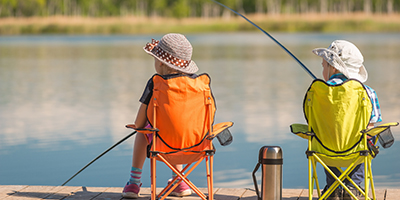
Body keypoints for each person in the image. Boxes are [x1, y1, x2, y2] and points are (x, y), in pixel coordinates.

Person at [122, 33, 199, 199]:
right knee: (178, 129)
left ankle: (133, 183)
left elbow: (139, 122)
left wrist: (139, 126)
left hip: (161, 143)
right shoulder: (198, 84)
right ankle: (180, 181)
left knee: (142, 132)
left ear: (160, 63)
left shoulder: (155, 84)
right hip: (195, 143)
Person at [312, 40, 382, 200]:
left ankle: (333, 187)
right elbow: (371, 128)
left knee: (323, 137)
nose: (322, 69)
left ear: (333, 67)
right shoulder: (368, 93)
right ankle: (353, 187)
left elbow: (313, 123)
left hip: (324, 152)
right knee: (366, 140)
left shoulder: (317, 93)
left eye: (324, 66)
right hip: (356, 152)